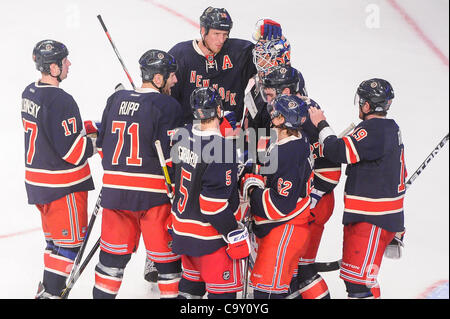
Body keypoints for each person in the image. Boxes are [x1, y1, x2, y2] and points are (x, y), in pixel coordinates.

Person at [93, 49, 182, 299]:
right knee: (168, 267)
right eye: (171, 75)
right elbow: (172, 157)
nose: (174, 80)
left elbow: (101, 146)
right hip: (154, 199)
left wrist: (120, 176)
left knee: (110, 263)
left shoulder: (116, 99)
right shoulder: (168, 105)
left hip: (115, 195)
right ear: (157, 78)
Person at [308, 78, 406, 299]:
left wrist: (321, 123)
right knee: (360, 280)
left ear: (367, 105)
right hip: (378, 218)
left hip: (371, 221)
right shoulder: (390, 128)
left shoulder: (373, 129)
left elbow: (336, 151)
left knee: (358, 285)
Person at [22, 40, 97, 298]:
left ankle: (47, 289)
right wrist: (101, 142)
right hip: (63, 188)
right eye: (64, 61)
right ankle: (52, 294)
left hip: (39, 185)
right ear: (53, 67)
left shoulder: (29, 92)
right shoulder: (61, 100)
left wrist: (87, 127)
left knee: (55, 243)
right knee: (70, 245)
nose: (69, 64)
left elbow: (49, 130)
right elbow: (74, 153)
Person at [260, 65, 342, 299]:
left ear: (287, 90)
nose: (267, 95)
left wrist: (312, 198)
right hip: (302, 200)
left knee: (301, 269)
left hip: (315, 202)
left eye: (272, 91)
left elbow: (332, 168)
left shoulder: (305, 117)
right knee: (292, 269)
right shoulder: (290, 110)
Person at [170, 87, 250, 299]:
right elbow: (211, 205)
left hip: (183, 234)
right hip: (210, 239)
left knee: (190, 291)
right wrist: (233, 231)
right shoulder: (222, 149)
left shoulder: (183, 136)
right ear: (218, 111)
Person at [241, 94, 314, 298]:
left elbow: (279, 205)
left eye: (276, 113)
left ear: (283, 119)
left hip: (284, 231)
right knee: (282, 290)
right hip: (287, 230)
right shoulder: (296, 141)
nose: (271, 115)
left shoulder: (288, 153)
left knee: (267, 294)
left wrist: (253, 189)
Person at [168, 6, 282, 128]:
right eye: (216, 34)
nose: (221, 40)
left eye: (225, 34)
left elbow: (274, 69)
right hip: (192, 135)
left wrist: (275, 43)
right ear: (203, 30)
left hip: (231, 135)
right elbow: (168, 101)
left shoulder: (239, 52)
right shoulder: (181, 55)